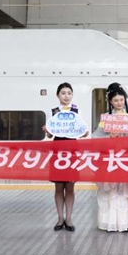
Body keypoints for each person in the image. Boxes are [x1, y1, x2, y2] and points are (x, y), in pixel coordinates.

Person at [93, 83, 128, 232]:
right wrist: (108, 137)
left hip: (126, 158)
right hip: (111, 159)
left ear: (125, 100)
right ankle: (110, 223)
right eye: (116, 100)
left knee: (125, 190)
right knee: (111, 191)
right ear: (111, 102)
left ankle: (124, 223)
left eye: (121, 100)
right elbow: (95, 137)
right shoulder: (106, 119)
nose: (119, 103)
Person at [44, 83, 84, 232]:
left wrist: (85, 133)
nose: (66, 96)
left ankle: (69, 218)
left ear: (72, 95)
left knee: (70, 187)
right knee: (58, 186)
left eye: (69, 93)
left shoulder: (77, 110)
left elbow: (81, 131)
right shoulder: (52, 111)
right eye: (63, 93)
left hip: (72, 149)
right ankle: (60, 218)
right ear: (58, 95)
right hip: (58, 149)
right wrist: (47, 130)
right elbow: (49, 135)